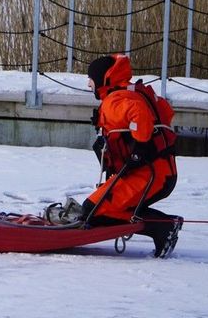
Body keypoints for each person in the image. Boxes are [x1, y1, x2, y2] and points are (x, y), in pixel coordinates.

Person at [77, 54, 183, 258]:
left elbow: (137, 112)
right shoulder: (124, 94)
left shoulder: (115, 100)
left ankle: (164, 228)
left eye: (91, 79)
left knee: (93, 211)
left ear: (101, 79)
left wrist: (141, 144)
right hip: (155, 173)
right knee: (98, 208)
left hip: (150, 175)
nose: (89, 83)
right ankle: (164, 227)